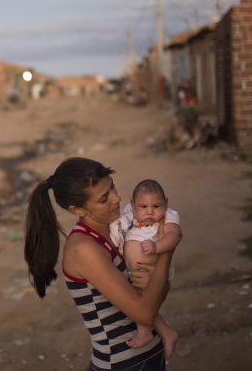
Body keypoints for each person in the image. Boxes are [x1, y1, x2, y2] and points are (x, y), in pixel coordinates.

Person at [24, 157, 174, 370]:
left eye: (112, 187)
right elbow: (145, 313)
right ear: (77, 210)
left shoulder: (119, 229)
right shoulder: (84, 248)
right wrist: (166, 251)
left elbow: (156, 294)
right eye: (104, 199)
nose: (117, 198)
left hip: (145, 358)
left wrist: (157, 275)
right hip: (124, 364)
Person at [110, 180, 182, 360]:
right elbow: (117, 227)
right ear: (133, 205)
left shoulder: (169, 216)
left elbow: (175, 236)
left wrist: (157, 246)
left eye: (157, 206)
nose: (150, 211)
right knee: (136, 299)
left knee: (141, 302)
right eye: (143, 206)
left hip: (153, 271)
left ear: (166, 202)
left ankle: (144, 332)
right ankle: (166, 332)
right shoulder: (130, 215)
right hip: (135, 274)